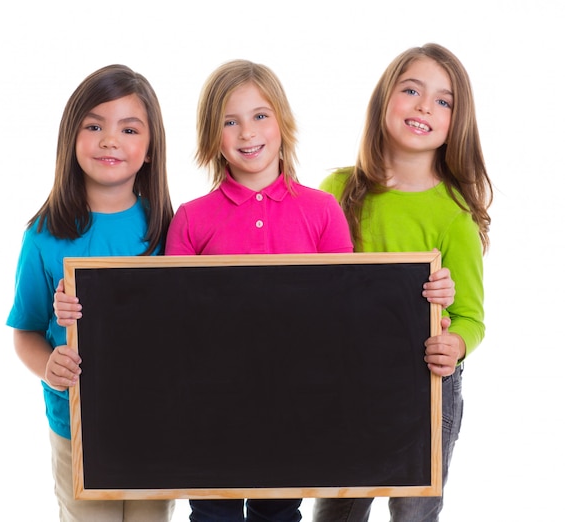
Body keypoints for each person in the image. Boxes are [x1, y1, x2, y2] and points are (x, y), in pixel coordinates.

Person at [53, 59, 456, 521]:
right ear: (212, 136)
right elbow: (168, 321)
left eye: (260, 116)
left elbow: (352, 310)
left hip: (295, 408)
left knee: (279, 512)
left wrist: (423, 302)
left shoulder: (322, 210)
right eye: (231, 121)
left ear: (283, 123)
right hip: (208, 412)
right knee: (211, 514)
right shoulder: (192, 217)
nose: (247, 133)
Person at [312, 43, 493, 522]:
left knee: (415, 509)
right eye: (411, 90)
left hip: (425, 382)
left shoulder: (455, 216)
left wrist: (454, 342)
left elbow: (472, 317)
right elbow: (311, 285)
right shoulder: (337, 191)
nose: (423, 107)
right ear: (383, 100)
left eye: (442, 100)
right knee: (338, 507)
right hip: (349, 377)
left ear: (457, 122)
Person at [6, 64, 175, 522]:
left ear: (149, 148)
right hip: (75, 426)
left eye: (129, 128)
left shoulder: (169, 231)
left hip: (153, 423)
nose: (109, 139)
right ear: (71, 137)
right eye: (94, 125)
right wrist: (48, 366)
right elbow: (24, 331)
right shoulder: (43, 237)